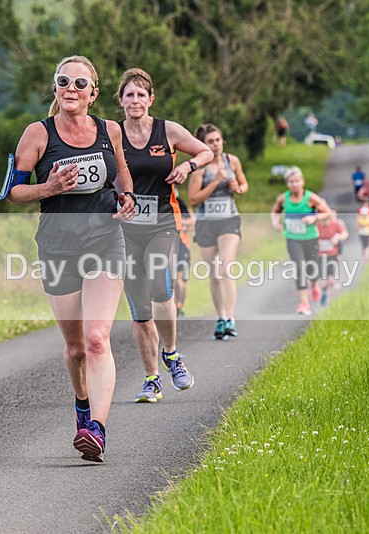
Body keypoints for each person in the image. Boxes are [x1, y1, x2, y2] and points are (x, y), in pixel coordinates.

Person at [8, 55, 136, 463]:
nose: (71, 89)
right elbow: (12, 191)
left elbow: (122, 173)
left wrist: (127, 197)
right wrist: (48, 187)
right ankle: (82, 404)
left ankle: (95, 429)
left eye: (81, 84)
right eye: (64, 81)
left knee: (98, 339)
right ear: (56, 87)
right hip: (58, 247)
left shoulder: (109, 130)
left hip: (105, 240)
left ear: (94, 94)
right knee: (77, 348)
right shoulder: (37, 134)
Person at [117, 68, 213, 403]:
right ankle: (151, 379)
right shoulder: (113, 134)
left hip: (162, 222)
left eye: (141, 94)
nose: (135, 100)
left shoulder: (167, 130)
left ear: (151, 99)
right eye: (129, 94)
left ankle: (171, 354)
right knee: (139, 307)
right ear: (120, 100)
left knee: (160, 285)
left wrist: (187, 167)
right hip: (125, 229)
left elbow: (205, 152)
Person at [189, 123, 248, 340]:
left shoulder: (232, 161)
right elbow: (194, 199)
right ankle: (221, 317)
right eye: (210, 142)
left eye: (218, 140)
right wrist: (215, 182)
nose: (216, 145)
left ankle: (231, 318)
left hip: (229, 221)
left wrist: (237, 188)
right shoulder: (199, 167)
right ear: (203, 145)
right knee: (214, 273)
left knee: (224, 267)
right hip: (206, 223)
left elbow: (244, 185)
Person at [270, 166, 331, 316]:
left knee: (311, 268)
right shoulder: (283, 198)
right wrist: (275, 222)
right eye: (291, 182)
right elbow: (274, 211)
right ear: (287, 184)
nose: (294, 184)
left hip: (310, 237)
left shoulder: (311, 198)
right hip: (292, 238)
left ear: (302, 182)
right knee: (299, 267)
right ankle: (304, 303)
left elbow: (328, 213)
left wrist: (314, 217)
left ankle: (314, 284)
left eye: (297, 181)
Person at [316, 209, 349, 306]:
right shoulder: (316, 225)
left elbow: (344, 234)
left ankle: (329, 301)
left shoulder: (335, 224)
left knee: (332, 281)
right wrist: (316, 241)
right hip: (320, 256)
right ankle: (324, 293)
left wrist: (337, 237)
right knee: (324, 282)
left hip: (332, 255)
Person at [174, 192, 195, 318]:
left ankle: (179, 305)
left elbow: (192, 221)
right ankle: (171, 307)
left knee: (180, 279)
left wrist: (180, 224)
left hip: (182, 244)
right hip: (164, 243)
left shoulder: (179, 202)